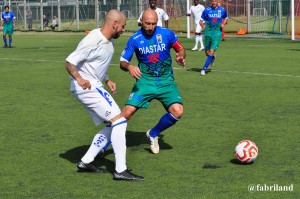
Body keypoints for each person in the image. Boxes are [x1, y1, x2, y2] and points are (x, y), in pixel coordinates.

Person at [65, 9, 144, 181]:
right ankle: (120, 170)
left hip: (96, 85)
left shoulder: (108, 42)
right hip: (87, 88)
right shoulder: (93, 40)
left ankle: (86, 161)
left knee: (112, 124)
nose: (123, 30)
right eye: (122, 26)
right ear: (114, 23)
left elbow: (94, 64)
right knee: (120, 120)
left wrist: (107, 79)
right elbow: (70, 62)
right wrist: (79, 78)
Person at [120, 9, 186, 154]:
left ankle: (153, 133)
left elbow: (180, 49)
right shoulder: (135, 39)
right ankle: (106, 143)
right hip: (145, 82)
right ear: (141, 22)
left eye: (153, 24)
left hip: (166, 81)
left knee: (178, 111)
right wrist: (130, 66)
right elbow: (123, 61)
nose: (150, 27)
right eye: (147, 23)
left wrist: (180, 56)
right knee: (127, 113)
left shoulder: (166, 34)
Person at [199, 0, 227, 76]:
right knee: (207, 53)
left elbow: (226, 18)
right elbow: (201, 21)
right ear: (211, 2)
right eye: (213, 1)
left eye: (215, 1)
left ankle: (203, 69)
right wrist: (203, 26)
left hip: (217, 33)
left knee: (211, 51)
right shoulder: (206, 10)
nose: (214, 2)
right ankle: (213, 57)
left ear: (217, 1)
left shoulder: (222, 10)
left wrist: (223, 24)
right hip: (208, 33)